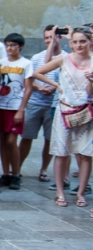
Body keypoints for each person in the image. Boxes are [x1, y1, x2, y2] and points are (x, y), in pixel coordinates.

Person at [33, 27, 93, 210]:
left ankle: (81, 192)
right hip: (64, 110)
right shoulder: (65, 59)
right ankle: (60, 192)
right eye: (75, 41)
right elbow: (38, 72)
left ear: (90, 41)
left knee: (85, 154)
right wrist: (56, 84)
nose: (78, 45)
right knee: (61, 152)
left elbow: (90, 93)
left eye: (82, 41)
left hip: (86, 112)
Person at [20, 25, 64, 182]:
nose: (48, 40)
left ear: (60, 37)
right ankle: (17, 168)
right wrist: (40, 87)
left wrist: (54, 87)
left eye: (52, 37)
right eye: (46, 37)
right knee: (27, 136)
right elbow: (30, 79)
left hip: (54, 104)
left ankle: (44, 169)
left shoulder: (66, 57)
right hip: (35, 101)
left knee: (49, 139)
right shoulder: (37, 57)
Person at [0, 33, 33, 190]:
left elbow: (28, 88)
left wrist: (21, 109)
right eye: (7, 45)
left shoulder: (26, 64)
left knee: (12, 141)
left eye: (13, 45)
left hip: (15, 106)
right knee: (3, 140)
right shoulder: (0, 63)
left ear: (20, 46)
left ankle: (16, 173)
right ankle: (6, 173)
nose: (9, 48)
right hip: (1, 104)